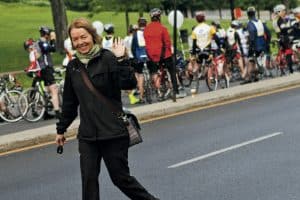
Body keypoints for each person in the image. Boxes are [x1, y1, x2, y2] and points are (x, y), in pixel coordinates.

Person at [55, 18, 159, 200]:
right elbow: (70, 103)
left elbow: (129, 84)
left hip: (113, 133)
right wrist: (61, 129)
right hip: (88, 136)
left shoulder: (108, 58)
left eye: (83, 37)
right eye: (75, 39)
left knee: (120, 179)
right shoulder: (73, 67)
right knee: (88, 181)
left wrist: (121, 59)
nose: (80, 42)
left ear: (93, 36)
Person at [144, 8, 180, 100]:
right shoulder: (163, 28)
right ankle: (176, 90)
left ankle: (159, 90)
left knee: (155, 71)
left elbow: (147, 43)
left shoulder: (146, 29)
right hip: (164, 55)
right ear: (159, 17)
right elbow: (167, 43)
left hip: (151, 56)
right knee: (172, 70)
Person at [37, 26, 61, 118]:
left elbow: (49, 49)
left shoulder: (41, 43)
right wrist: (53, 39)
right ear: (46, 34)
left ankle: (46, 112)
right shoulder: (42, 43)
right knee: (54, 90)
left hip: (43, 69)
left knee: (47, 90)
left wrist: (51, 41)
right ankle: (57, 112)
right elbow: (53, 49)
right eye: (50, 33)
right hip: (46, 69)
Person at [245, 7, 271, 83]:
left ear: (248, 14)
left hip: (255, 45)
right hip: (263, 44)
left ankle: (249, 77)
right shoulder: (260, 22)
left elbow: (252, 36)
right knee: (257, 60)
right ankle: (256, 76)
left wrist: (251, 46)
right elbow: (268, 33)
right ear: (255, 13)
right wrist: (267, 43)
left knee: (250, 61)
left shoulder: (250, 24)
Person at [273, 4, 294, 74]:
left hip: (280, 38)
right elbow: (283, 28)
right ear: (279, 12)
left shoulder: (276, 19)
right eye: (283, 11)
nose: (284, 12)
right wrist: (291, 27)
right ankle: (291, 70)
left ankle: (282, 70)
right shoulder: (279, 20)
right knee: (288, 53)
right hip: (284, 39)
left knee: (282, 53)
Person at [124, 24, 140, 104]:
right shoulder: (134, 38)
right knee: (137, 73)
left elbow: (125, 49)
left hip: (128, 58)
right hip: (135, 56)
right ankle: (136, 87)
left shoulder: (126, 38)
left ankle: (134, 88)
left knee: (132, 73)